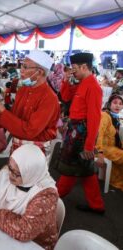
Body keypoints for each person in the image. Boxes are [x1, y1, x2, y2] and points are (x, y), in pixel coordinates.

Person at [0, 50, 60, 157]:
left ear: (40, 72)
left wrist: (3, 112)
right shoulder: (23, 90)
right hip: (18, 145)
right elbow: (14, 119)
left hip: (36, 150)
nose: (21, 70)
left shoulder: (49, 98)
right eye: (21, 66)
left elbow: (30, 131)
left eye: (25, 67)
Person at [57, 52, 105, 214]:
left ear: (85, 67)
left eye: (75, 68)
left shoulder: (93, 86)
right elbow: (65, 96)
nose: (73, 71)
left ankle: (56, 195)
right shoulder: (82, 82)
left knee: (74, 166)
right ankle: (96, 205)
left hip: (82, 134)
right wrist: (65, 79)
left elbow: (95, 118)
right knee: (84, 169)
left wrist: (89, 145)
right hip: (75, 131)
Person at [96, 94, 123, 191]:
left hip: (110, 147)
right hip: (102, 148)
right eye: (115, 103)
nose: (118, 106)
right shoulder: (105, 116)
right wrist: (100, 152)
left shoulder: (115, 118)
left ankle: (116, 182)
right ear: (109, 104)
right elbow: (99, 134)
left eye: (120, 104)